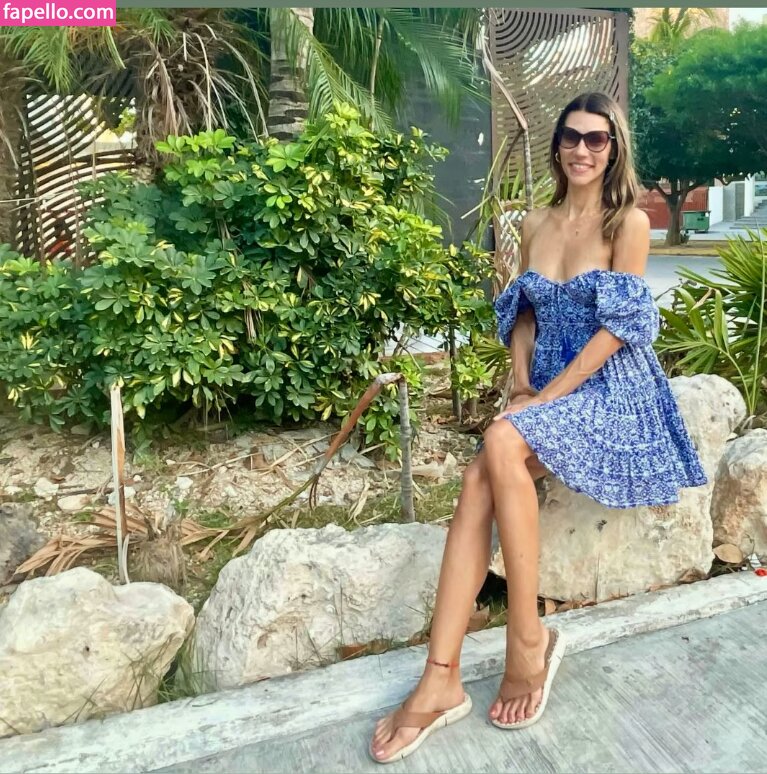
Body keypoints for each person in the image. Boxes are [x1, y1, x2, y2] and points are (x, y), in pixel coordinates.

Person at [369, 91, 708, 764]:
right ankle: (440, 677)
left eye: (596, 139)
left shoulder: (627, 224)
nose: (581, 149)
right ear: (556, 145)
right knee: (480, 476)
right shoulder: (533, 222)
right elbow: (524, 313)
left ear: (613, 149)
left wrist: (542, 399)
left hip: (611, 387)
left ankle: (525, 638)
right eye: (570, 137)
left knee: (500, 439)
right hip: (546, 386)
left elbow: (618, 330)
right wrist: (521, 382)